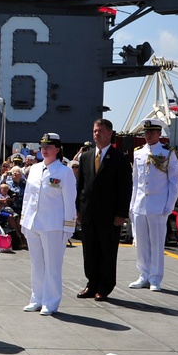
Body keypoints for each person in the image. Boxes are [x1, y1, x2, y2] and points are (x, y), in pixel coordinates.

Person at [75, 118, 132, 301]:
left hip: (109, 215)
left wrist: (121, 214)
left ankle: (105, 286)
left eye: (100, 131)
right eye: (94, 131)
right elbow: (80, 186)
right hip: (89, 213)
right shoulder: (86, 157)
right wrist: (78, 210)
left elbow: (125, 189)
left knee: (107, 251)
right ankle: (91, 284)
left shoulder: (119, 158)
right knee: (89, 251)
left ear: (109, 133)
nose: (96, 134)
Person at [20, 133, 77, 315]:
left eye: (49, 147)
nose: (44, 150)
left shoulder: (65, 172)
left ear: (58, 149)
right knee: (36, 264)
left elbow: (70, 201)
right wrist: (23, 220)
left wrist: (68, 227)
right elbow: (28, 196)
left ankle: (50, 302)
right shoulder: (35, 169)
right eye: (43, 146)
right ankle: (36, 298)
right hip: (33, 223)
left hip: (53, 225)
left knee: (52, 266)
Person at [128, 118, 178, 292]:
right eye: (146, 132)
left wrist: (169, 204)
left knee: (157, 243)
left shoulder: (168, 153)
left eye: (151, 132)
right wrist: (132, 203)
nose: (148, 135)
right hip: (141, 204)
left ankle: (155, 278)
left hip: (159, 204)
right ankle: (143, 274)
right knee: (141, 242)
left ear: (159, 134)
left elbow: (174, 181)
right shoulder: (138, 153)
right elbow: (136, 181)